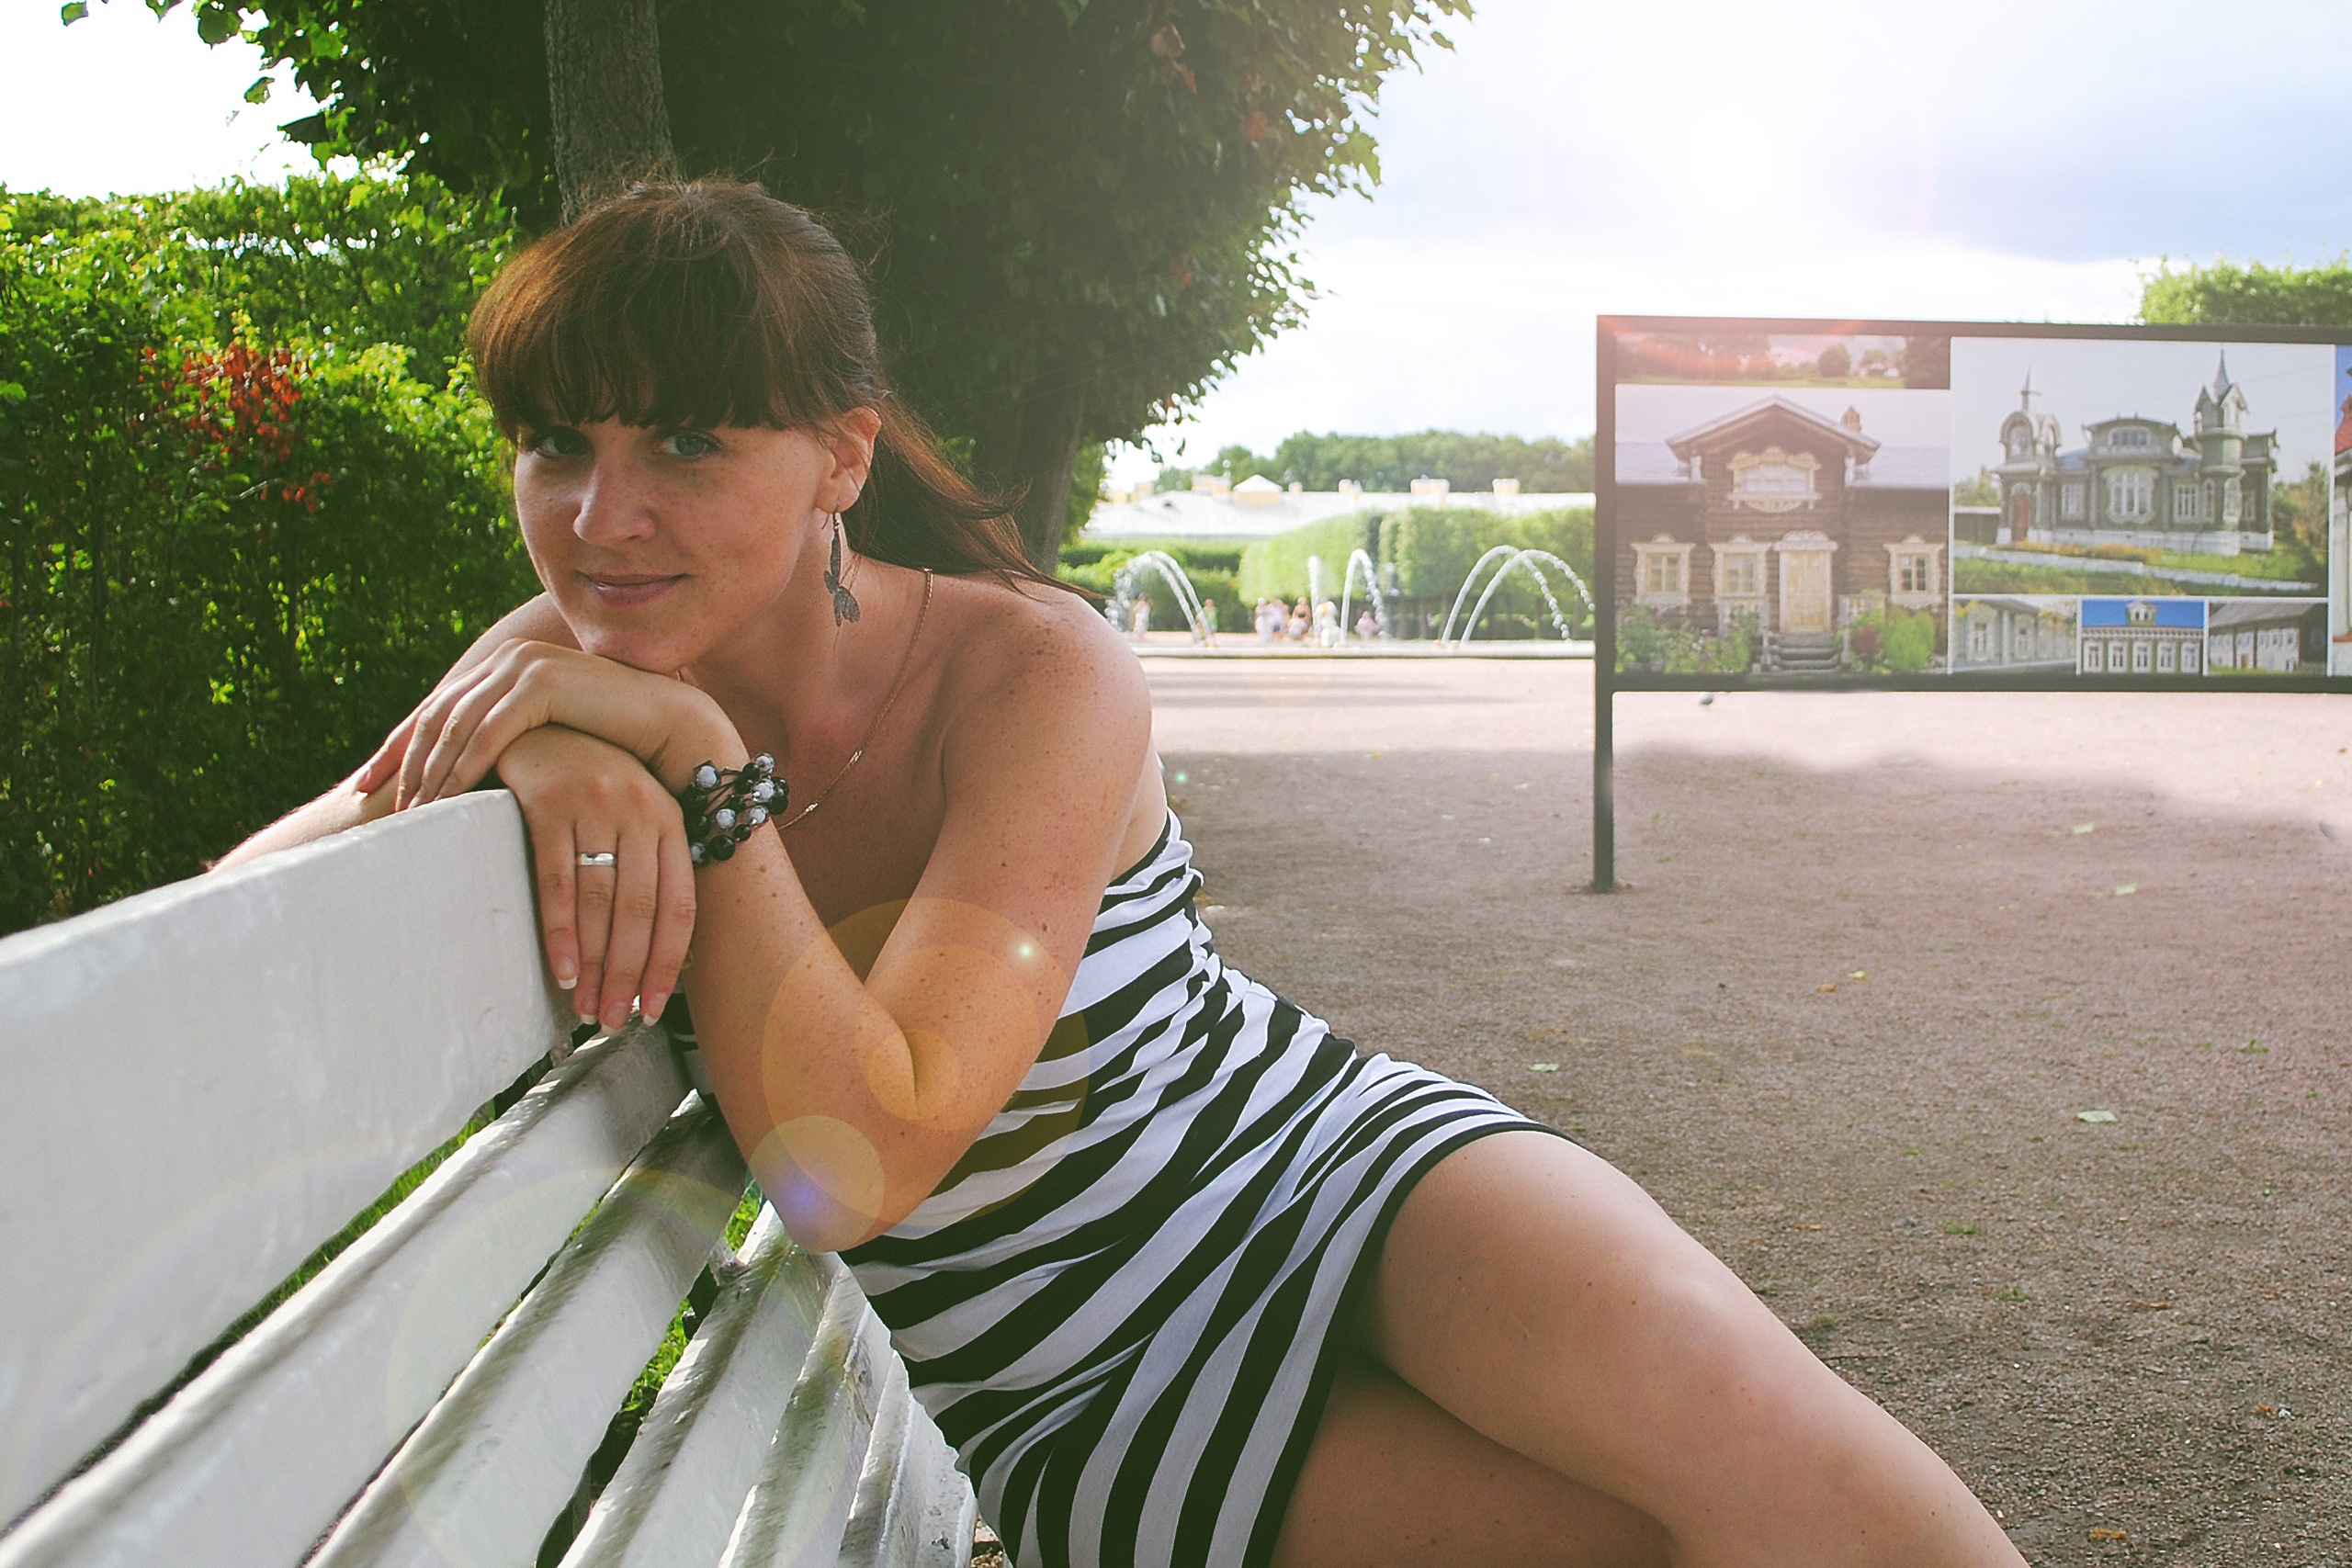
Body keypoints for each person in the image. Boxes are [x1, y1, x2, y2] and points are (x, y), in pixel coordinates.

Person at [219, 183, 2022, 1568]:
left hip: (1315, 1164)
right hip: (1085, 1392)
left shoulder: (1030, 666)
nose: (602, 514)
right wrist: (581, 754)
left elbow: (906, 1094)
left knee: (1837, 1501)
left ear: (841, 453)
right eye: (557, 442)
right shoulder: (571, 691)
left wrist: (679, 763)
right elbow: (238, 923)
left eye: (686, 440)